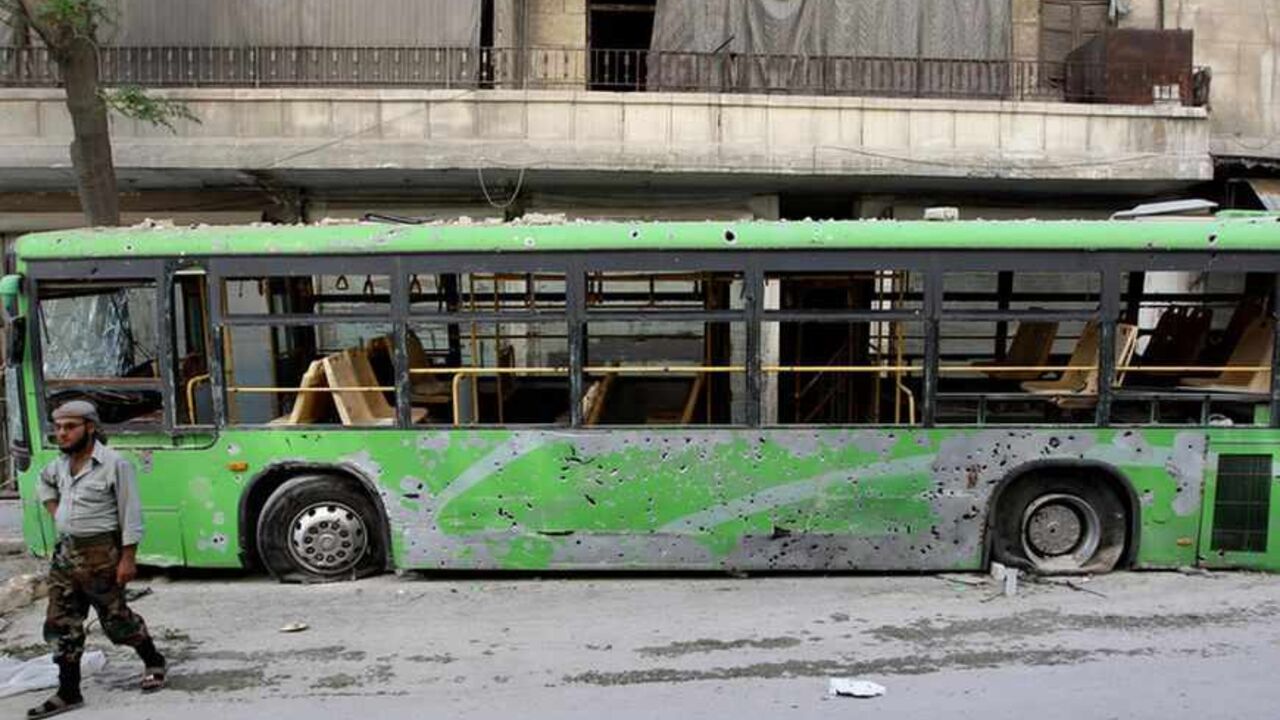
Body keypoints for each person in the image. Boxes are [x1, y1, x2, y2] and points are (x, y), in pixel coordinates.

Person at [27, 400, 166, 719]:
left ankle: (154, 660)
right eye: (58, 427)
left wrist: (128, 559)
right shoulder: (59, 464)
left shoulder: (116, 464)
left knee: (117, 621)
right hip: (65, 555)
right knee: (61, 623)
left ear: (90, 428)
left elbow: (131, 514)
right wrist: (57, 511)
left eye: (69, 427)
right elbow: (43, 482)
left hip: (101, 555)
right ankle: (68, 692)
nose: (61, 433)